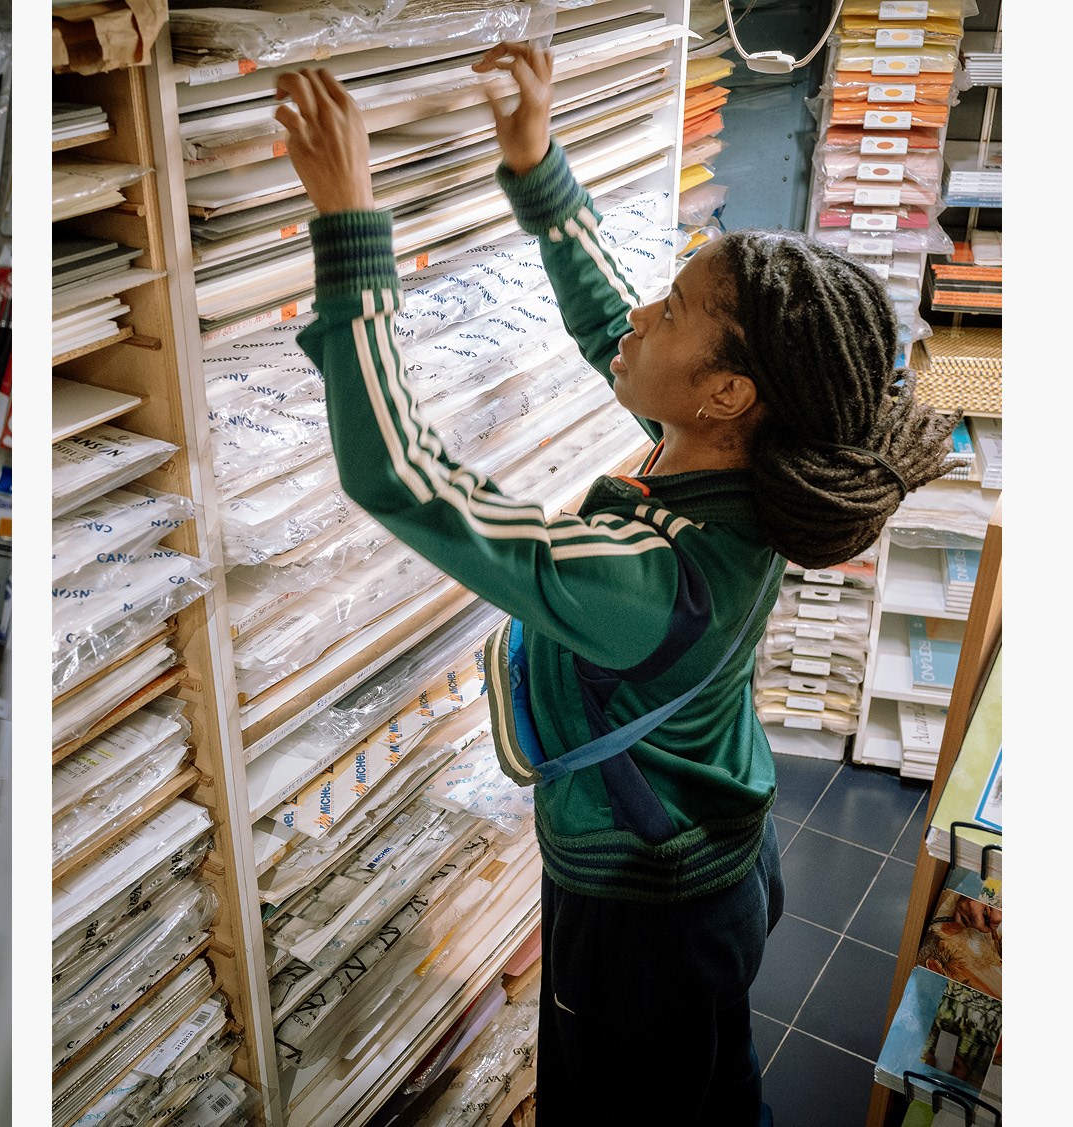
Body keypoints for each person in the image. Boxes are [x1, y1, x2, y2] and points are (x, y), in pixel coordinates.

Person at [273, 43, 956, 1123]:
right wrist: (536, 167)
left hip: (650, 913)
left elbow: (404, 481)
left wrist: (352, 227)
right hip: (709, 856)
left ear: (728, 390)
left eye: (674, 310)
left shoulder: (648, 577)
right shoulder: (741, 458)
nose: (645, 312)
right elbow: (612, 332)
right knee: (703, 1084)